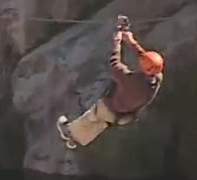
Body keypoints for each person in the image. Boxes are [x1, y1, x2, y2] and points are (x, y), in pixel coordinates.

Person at [57, 15, 164, 149]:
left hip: (112, 107)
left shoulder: (130, 81)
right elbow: (147, 60)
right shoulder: (157, 78)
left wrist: (117, 41)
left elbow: (114, 63)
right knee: (101, 123)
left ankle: (70, 132)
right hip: (126, 114)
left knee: (93, 116)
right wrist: (132, 42)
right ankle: (75, 140)